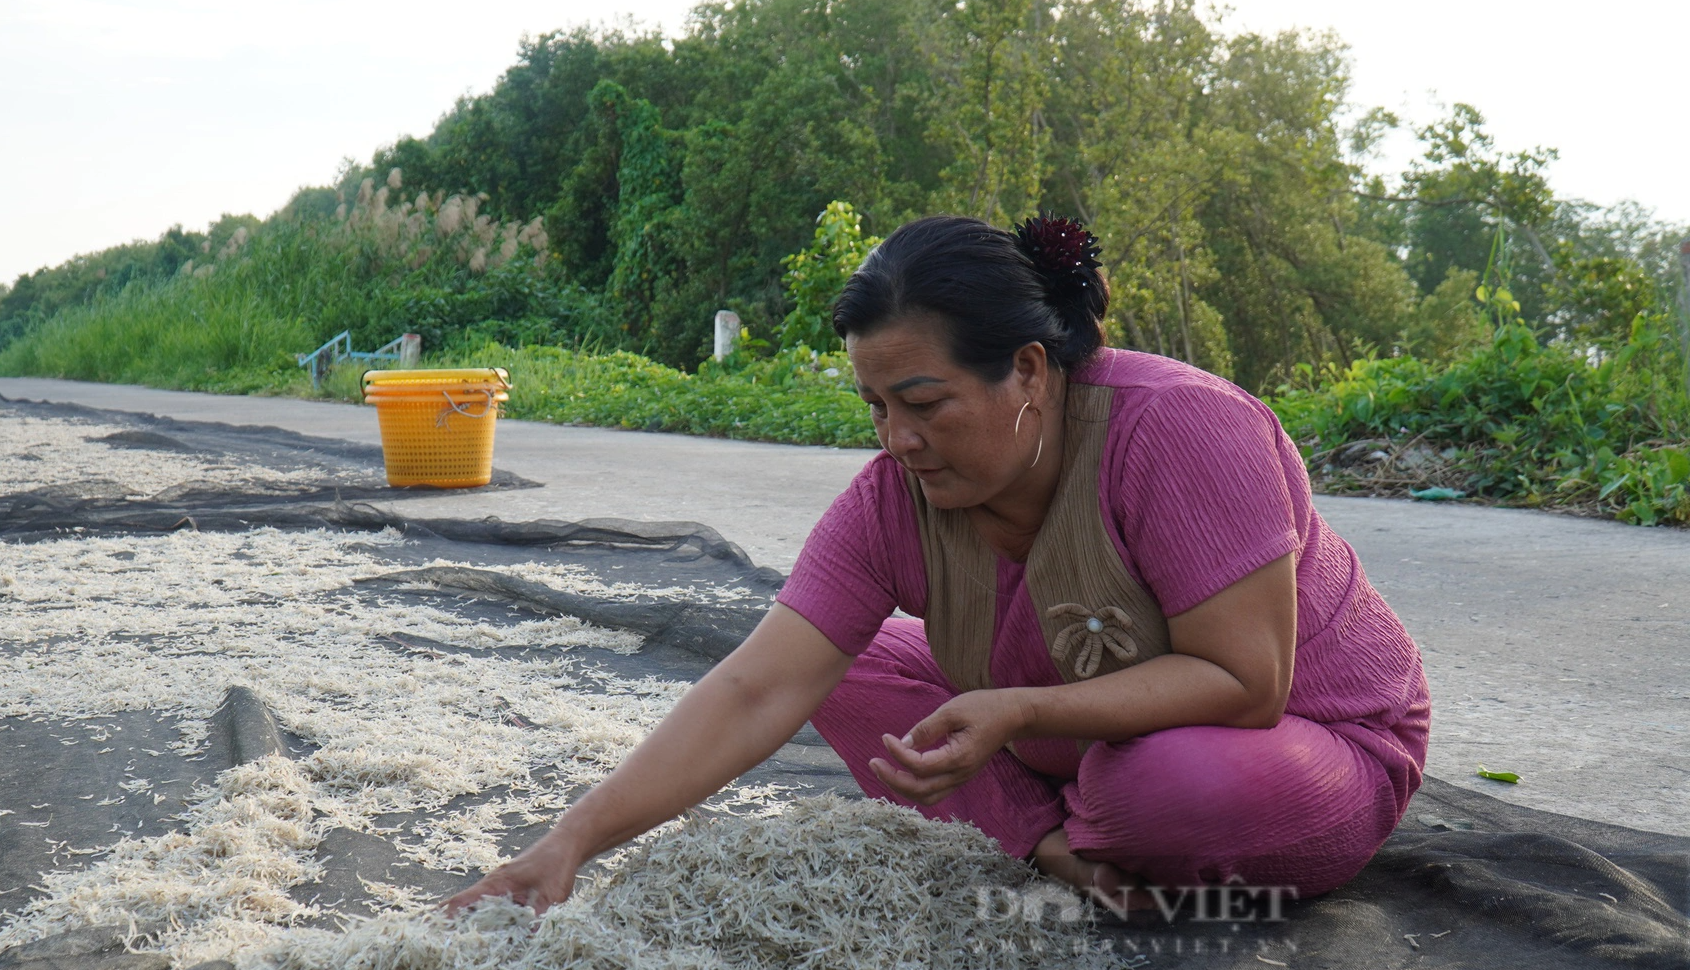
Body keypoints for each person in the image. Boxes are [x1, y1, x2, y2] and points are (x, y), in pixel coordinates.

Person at [447, 215, 1429, 915]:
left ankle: (1086, 815)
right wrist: (568, 841)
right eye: (875, 408)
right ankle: (1048, 836)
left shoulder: (1178, 431)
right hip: (1069, 737)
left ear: (1029, 374)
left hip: (1304, 741)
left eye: (924, 403)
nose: (897, 440)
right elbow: (755, 689)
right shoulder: (892, 500)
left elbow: (1244, 683)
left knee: (1164, 789)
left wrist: (1018, 711)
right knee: (844, 669)